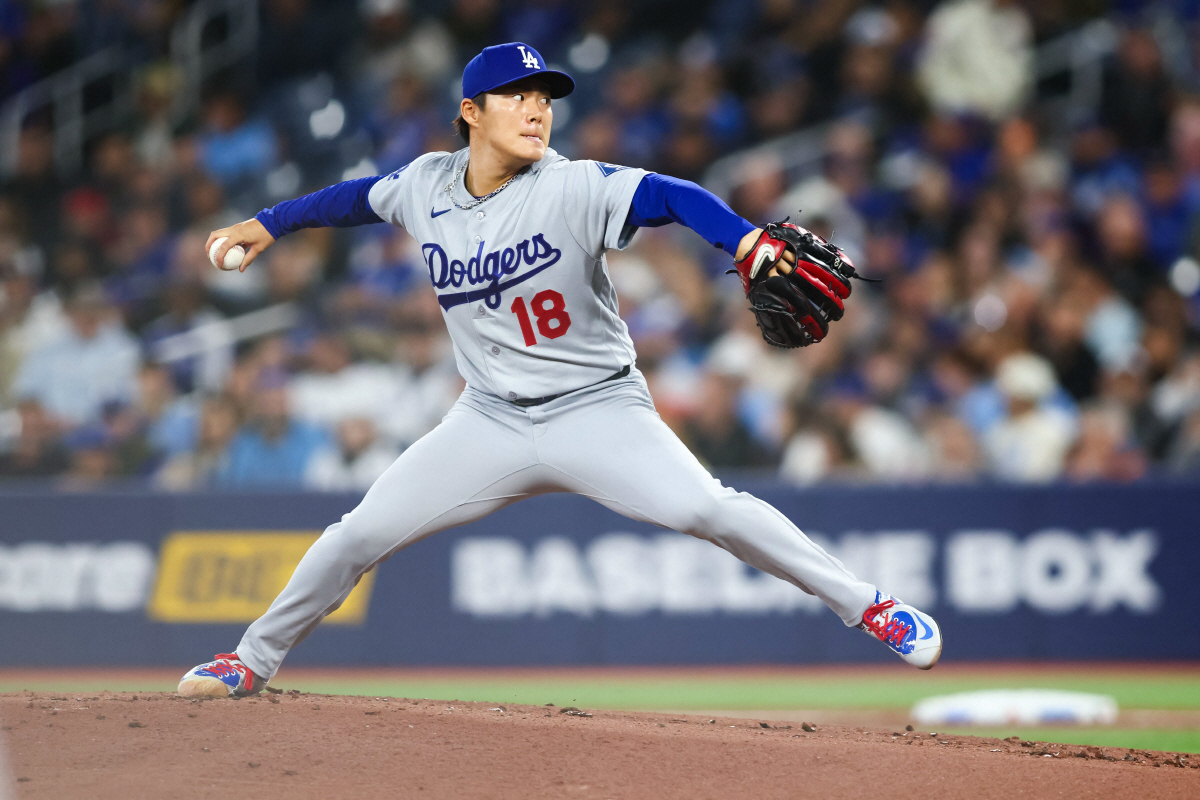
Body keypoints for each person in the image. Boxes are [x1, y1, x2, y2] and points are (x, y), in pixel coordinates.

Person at [179, 43, 942, 699]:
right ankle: (249, 663)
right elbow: (351, 200)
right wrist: (267, 224)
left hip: (599, 411)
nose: (537, 109)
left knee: (710, 510)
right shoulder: (424, 186)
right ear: (471, 111)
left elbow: (669, 195)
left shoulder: (572, 185)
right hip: (487, 419)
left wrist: (741, 241)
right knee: (355, 536)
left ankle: (870, 606)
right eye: (518, 96)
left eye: (545, 97)